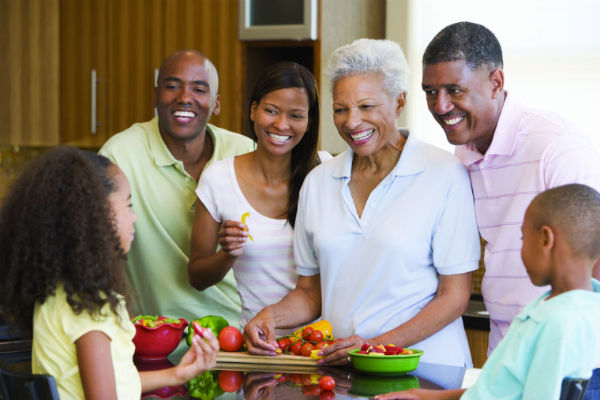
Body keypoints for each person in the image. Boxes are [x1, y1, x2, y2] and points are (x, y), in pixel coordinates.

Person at [244, 39, 481, 367]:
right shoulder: (318, 182)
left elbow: (454, 296)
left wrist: (373, 346)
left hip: (427, 370)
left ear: (399, 102)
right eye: (341, 109)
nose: (352, 122)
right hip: (345, 372)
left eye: (366, 107)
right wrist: (269, 316)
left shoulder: (444, 174)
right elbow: (311, 294)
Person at [421, 21, 600, 395]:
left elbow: (593, 251)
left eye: (455, 90)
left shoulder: (556, 145)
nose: (440, 106)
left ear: (496, 83)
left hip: (572, 361)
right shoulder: (464, 152)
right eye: (430, 91)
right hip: (512, 349)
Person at [0, 147, 219, 399]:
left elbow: (115, 381)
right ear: (94, 217)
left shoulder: (58, 294)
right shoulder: (90, 306)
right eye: (127, 204)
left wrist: (178, 374)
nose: (134, 216)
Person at [375, 184, 600, 400]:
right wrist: (433, 397)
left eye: (523, 237)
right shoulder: (579, 308)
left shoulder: (554, 323)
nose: (520, 249)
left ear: (545, 239)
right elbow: (499, 392)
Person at [99, 50, 255, 332]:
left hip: (241, 340)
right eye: (172, 86)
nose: (184, 97)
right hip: (156, 344)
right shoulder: (120, 155)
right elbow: (92, 250)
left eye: (199, 88)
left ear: (216, 103)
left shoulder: (245, 152)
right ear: (155, 97)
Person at [188, 62, 329, 333]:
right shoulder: (218, 179)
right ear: (254, 111)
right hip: (258, 344)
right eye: (271, 111)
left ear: (310, 121)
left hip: (322, 344)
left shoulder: (325, 171)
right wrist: (228, 255)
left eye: (296, 115)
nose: (281, 124)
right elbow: (197, 276)